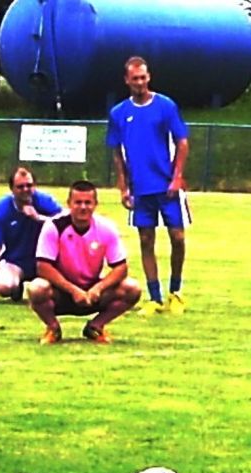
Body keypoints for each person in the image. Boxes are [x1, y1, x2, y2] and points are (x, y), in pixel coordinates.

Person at [106, 56, 190, 317]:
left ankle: (176, 292)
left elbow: (182, 142)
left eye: (143, 77)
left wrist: (177, 177)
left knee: (177, 237)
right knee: (145, 240)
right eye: (135, 79)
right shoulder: (119, 113)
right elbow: (117, 152)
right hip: (140, 188)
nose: (140, 82)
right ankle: (154, 297)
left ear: (149, 77)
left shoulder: (165, 106)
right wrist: (123, 187)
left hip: (167, 185)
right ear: (127, 80)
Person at [28, 180, 141, 344]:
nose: (83, 207)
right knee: (37, 288)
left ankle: (96, 326)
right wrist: (73, 290)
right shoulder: (54, 226)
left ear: (95, 204)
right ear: (69, 204)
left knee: (132, 288)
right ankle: (53, 328)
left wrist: (98, 288)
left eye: (88, 203)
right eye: (78, 202)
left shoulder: (106, 228)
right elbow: (43, 267)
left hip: (93, 293)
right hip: (62, 291)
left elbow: (121, 267)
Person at [0, 166, 61, 303]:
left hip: (46, 261)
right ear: (11, 189)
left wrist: (39, 218)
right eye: (20, 187)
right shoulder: (2, 209)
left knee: (55, 293)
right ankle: (16, 287)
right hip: (16, 261)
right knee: (5, 287)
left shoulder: (45, 202)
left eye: (29, 185)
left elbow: (66, 225)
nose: (25, 190)